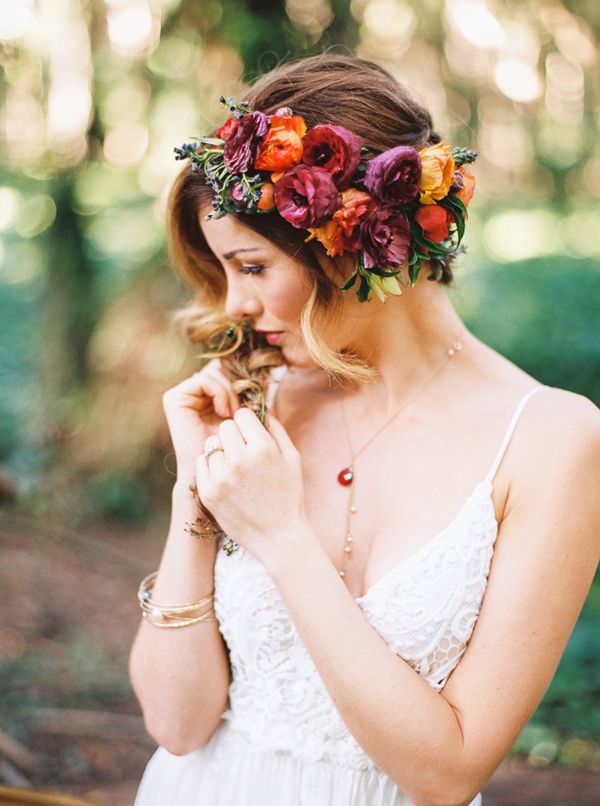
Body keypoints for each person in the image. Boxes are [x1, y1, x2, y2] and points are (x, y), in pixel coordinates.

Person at [129, 53, 600, 806]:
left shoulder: (551, 441)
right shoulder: (261, 400)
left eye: (250, 267)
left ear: (347, 237)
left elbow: (448, 773)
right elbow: (176, 724)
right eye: (224, 275)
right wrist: (197, 493)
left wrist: (282, 538)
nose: (235, 307)